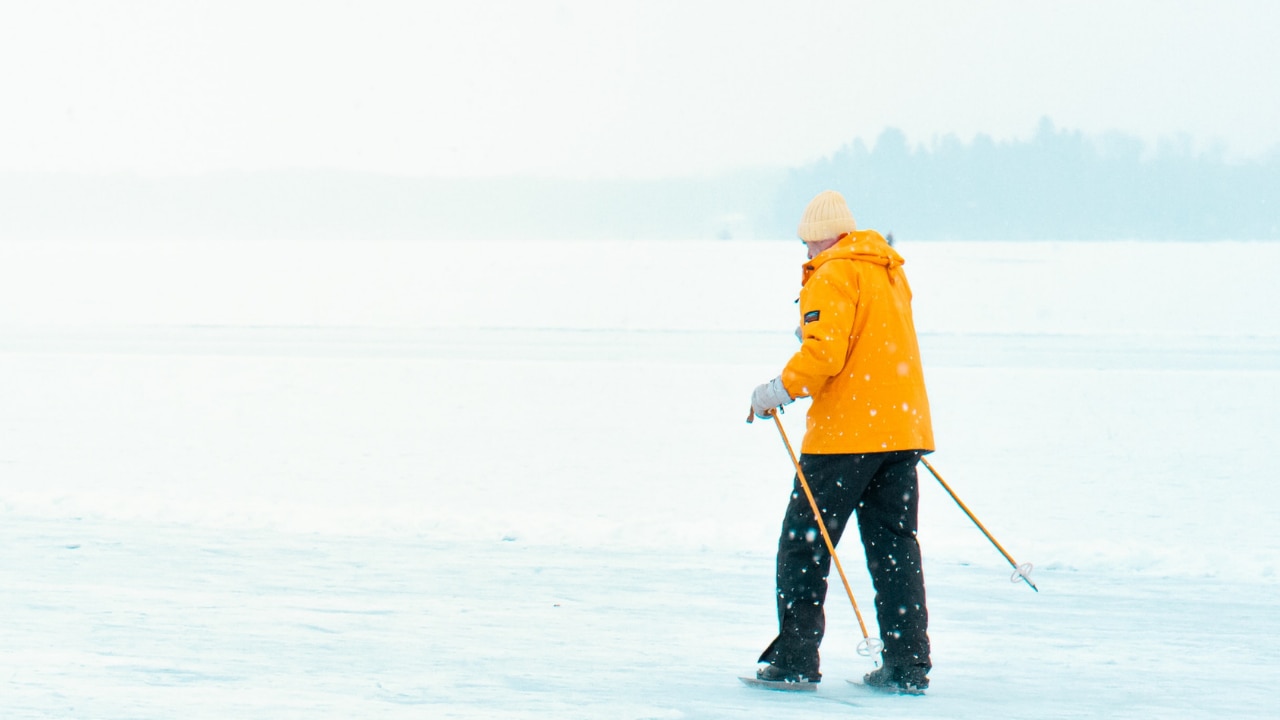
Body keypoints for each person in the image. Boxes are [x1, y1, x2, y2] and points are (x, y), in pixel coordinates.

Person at [749, 189, 935, 694]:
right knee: (893, 548)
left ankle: (795, 660)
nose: (806, 254)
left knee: (803, 545)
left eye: (807, 244)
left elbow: (825, 357)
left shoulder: (830, 272)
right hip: (901, 430)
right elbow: (871, 341)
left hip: (845, 438)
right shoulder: (886, 271)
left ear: (817, 238)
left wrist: (775, 392)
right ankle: (907, 664)